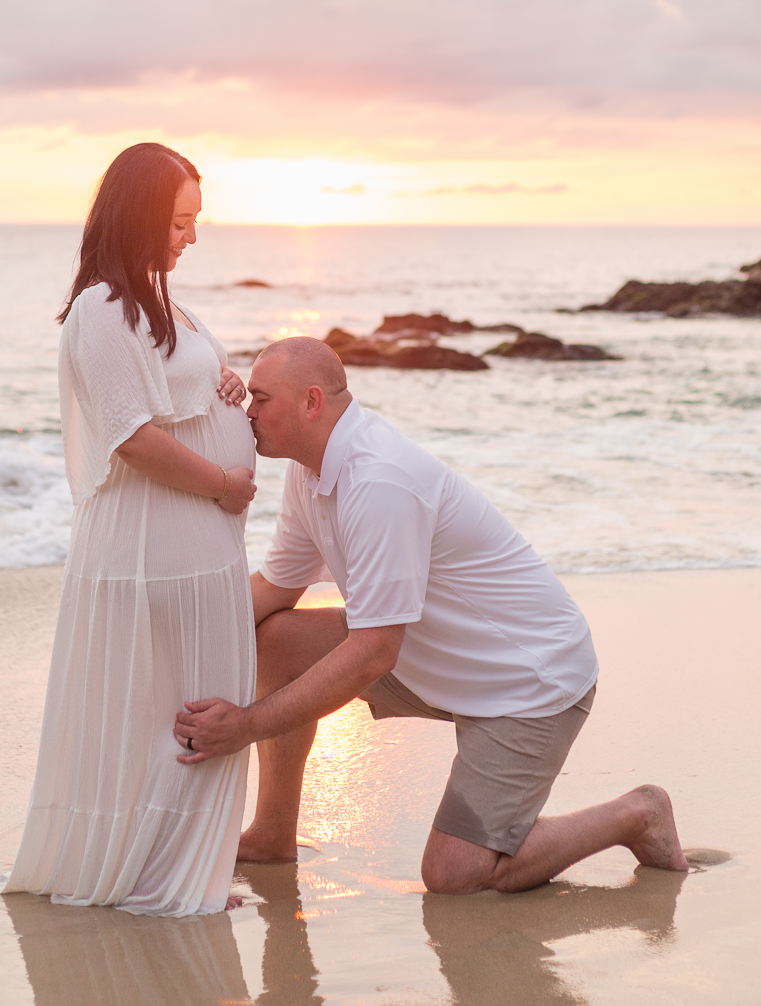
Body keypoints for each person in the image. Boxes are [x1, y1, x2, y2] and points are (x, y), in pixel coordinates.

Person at [174, 336, 688, 895]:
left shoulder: (380, 481)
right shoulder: (311, 471)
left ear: (312, 402)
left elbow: (374, 651)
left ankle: (636, 813)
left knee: (454, 876)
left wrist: (244, 726)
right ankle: (273, 836)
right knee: (279, 639)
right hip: (431, 658)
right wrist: (174, 634)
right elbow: (275, 587)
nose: (249, 412)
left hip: (528, 683)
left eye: (260, 398)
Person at [0, 142, 257, 916]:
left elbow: (181, 392)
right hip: (151, 543)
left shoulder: (160, 302)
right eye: (181, 221)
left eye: (196, 221)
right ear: (140, 215)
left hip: (188, 541)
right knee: (164, 708)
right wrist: (224, 485)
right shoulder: (101, 309)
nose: (192, 237)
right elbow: (131, 437)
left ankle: (184, 867)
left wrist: (228, 386)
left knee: (192, 703)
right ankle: (156, 875)